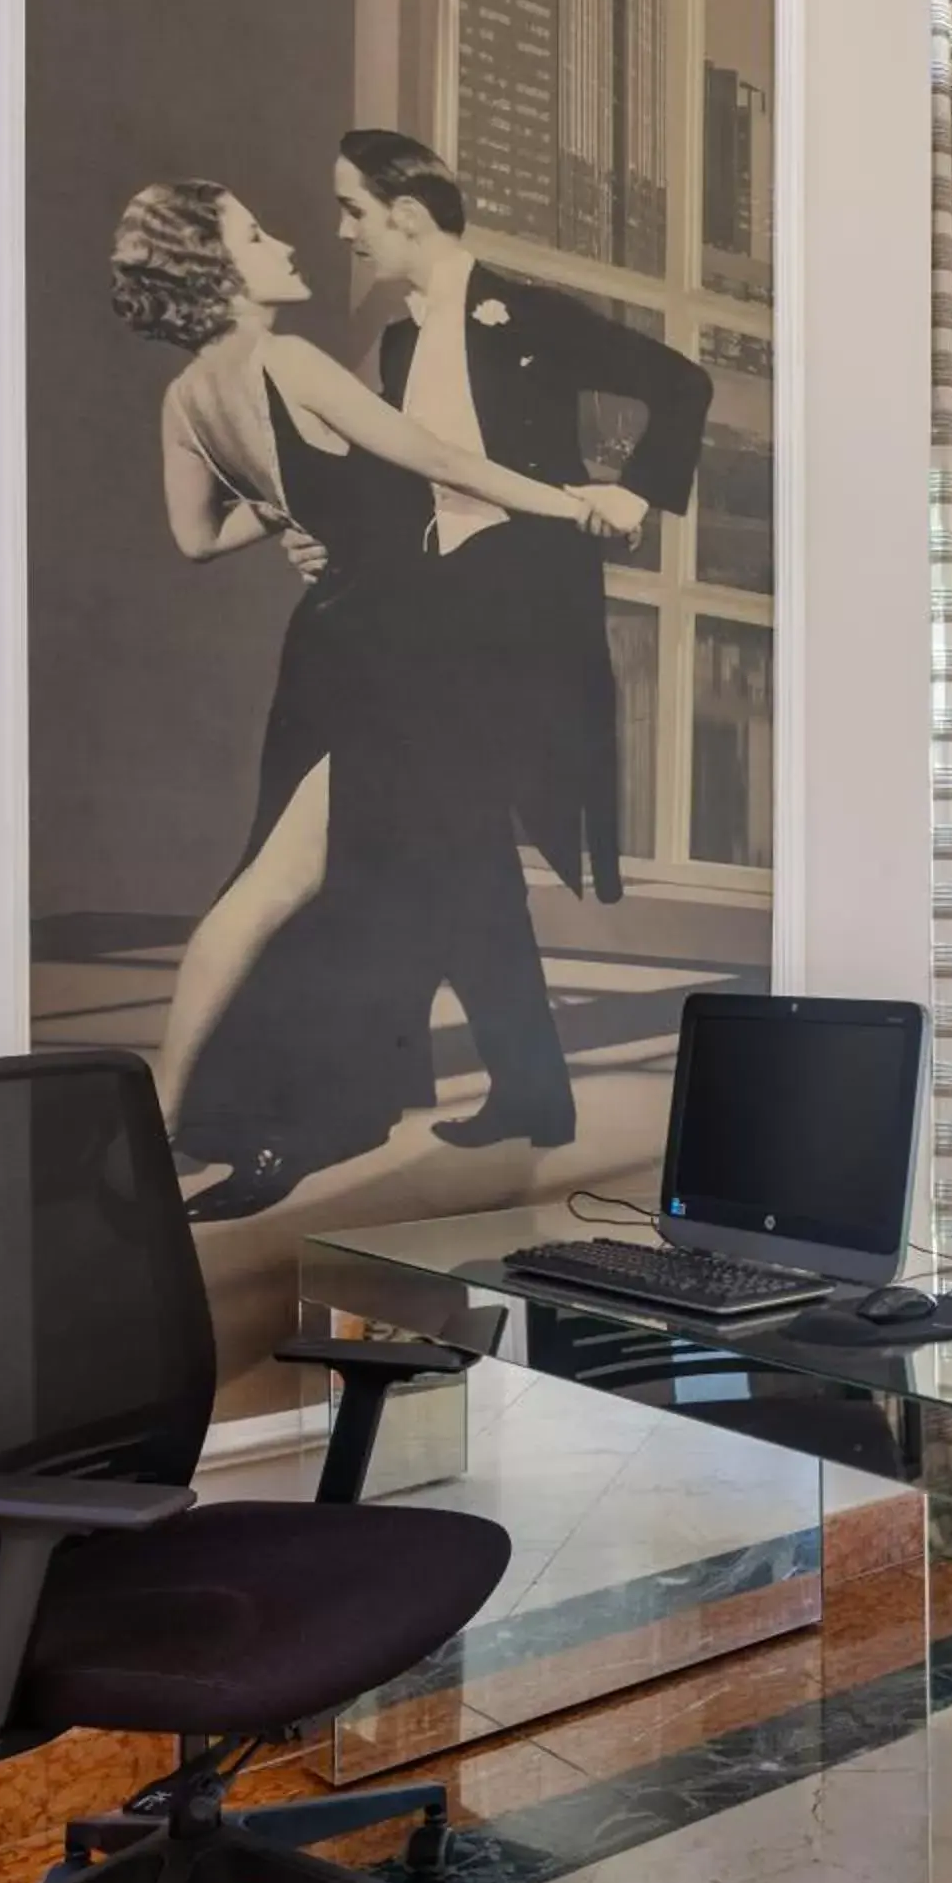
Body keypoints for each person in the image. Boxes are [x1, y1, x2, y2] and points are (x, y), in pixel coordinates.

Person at [110, 179, 625, 1219]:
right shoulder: (288, 359)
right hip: (395, 657)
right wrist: (572, 506)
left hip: (333, 647)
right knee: (296, 889)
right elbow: (435, 458)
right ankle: (222, 1126)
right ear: (215, 266)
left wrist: (291, 515)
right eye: (256, 232)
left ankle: (198, 1124)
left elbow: (196, 538)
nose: (287, 239)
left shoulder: (187, 400)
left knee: (319, 880)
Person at [325, 127, 716, 1150]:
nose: (344, 232)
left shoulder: (527, 314)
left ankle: (421, 1083)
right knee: (441, 840)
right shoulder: (402, 344)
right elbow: (406, 476)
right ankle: (512, 1088)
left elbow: (683, 384)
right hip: (427, 617)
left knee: (444, 834)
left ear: (407, 216)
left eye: (354, 211)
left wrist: (633, 492)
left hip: (520, 616)